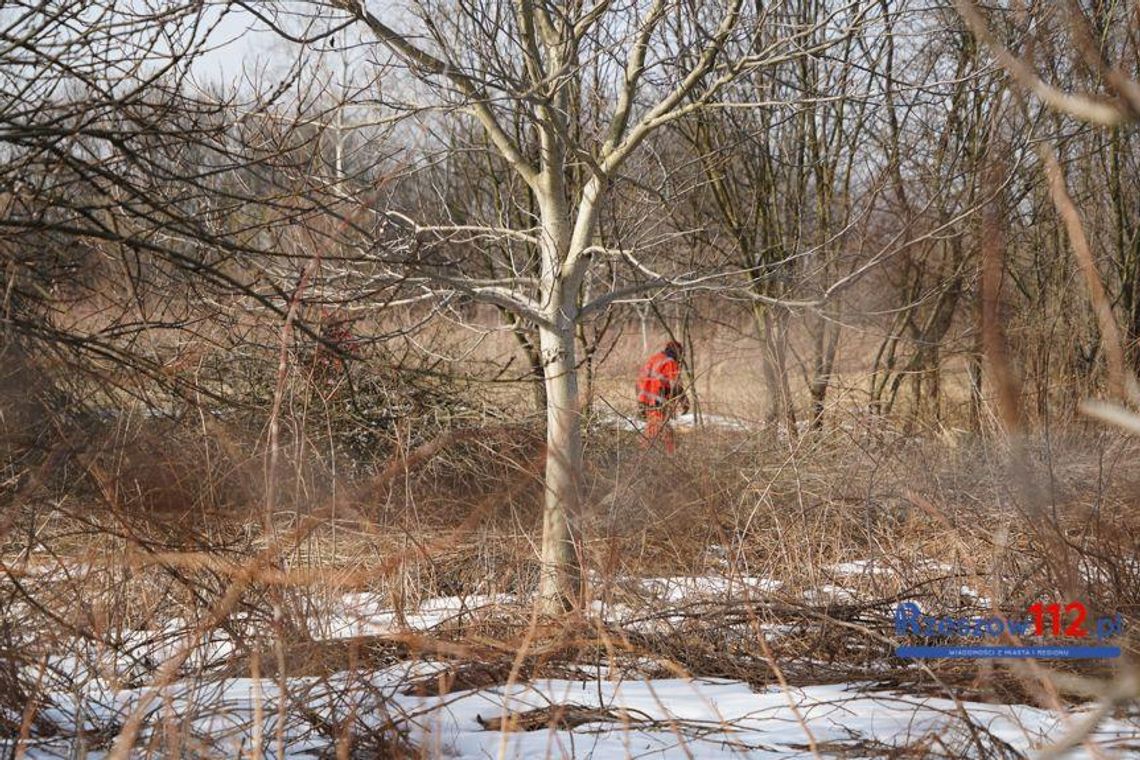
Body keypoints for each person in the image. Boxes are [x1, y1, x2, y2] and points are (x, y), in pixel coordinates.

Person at [636, 340, 689, 452]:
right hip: (657, 400)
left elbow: (640, 380)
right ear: (678, 352)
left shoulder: (655, 358)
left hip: (644, 398)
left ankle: (667, 452)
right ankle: (651, 455)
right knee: (655, 429)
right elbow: (676, 385)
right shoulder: (670, 362)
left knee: (658, 427)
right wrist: (684, 401)